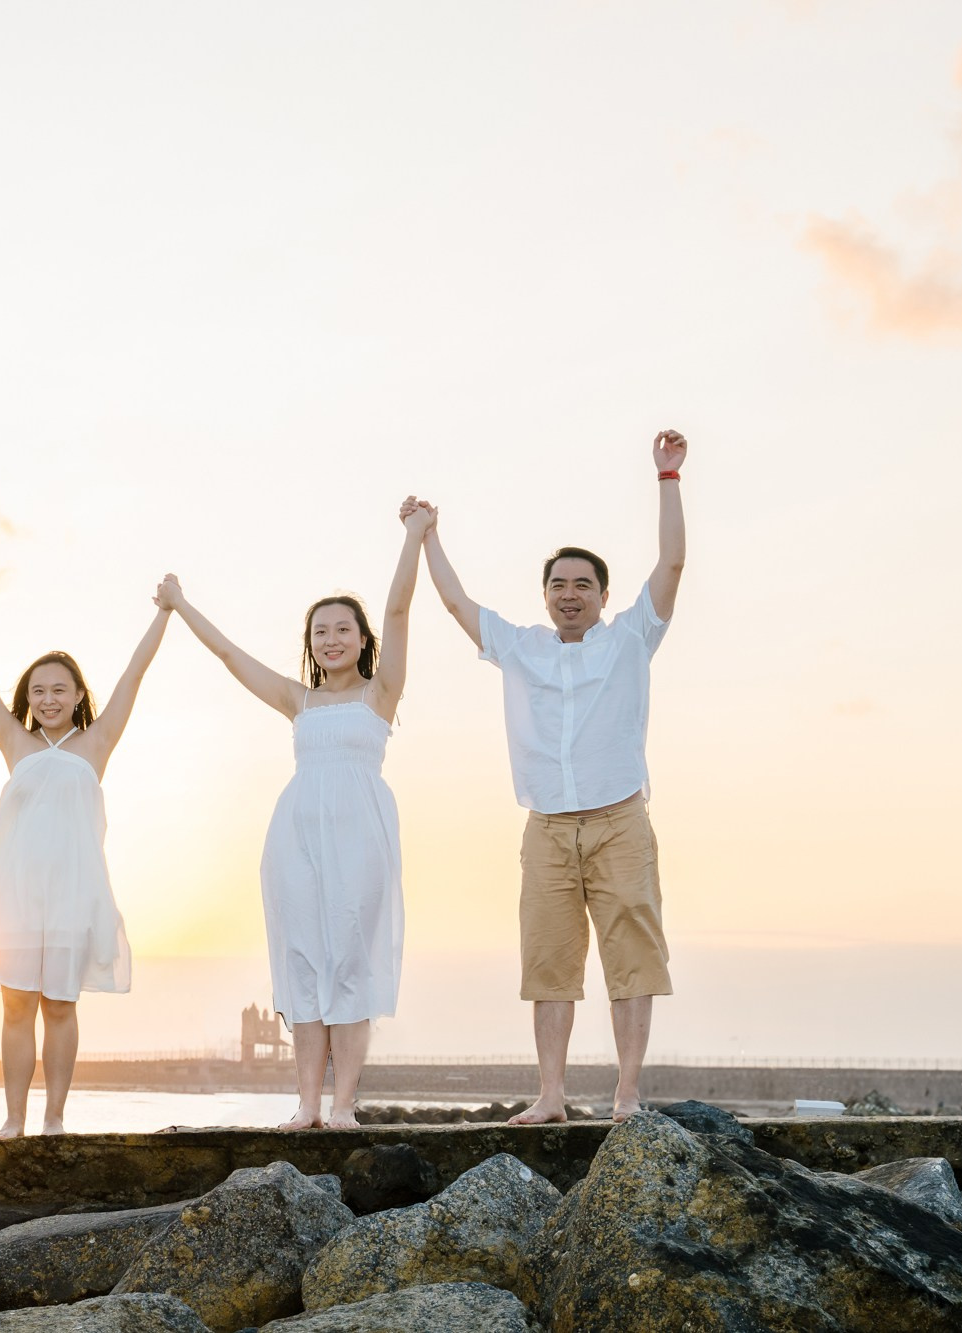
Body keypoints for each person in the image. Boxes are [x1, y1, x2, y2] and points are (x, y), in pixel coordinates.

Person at [416, 429, 689, 1123]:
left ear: (603, 594)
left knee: (633, 956)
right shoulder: (520, 647)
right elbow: (455, 602)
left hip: (620, 819)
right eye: (559, 585)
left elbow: (673, 562)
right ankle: (551, 1095)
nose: (571, 594)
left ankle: (627, 1093)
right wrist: (427, 537)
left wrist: (667, 478)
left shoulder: (630, 638)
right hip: (545, 826)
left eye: (582, 585)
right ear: (544, 595)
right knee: (548, 962)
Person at [156, 503, 427, 1129]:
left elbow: (398, 610)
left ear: (362, 639)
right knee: (303, 961)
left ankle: (343, 1105)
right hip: (296, 836)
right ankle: (307, 1104)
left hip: (361, 836)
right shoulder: (297, 699)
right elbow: (230, 656)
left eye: (342, 629)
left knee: (350, 962)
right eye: (320, 632)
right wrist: (179, 603)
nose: (331, 640)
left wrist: (413, 536)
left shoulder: (381, 693)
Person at [0, 576, 171, 1137]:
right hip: (14, 899)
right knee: (16, 1007)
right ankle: (14, 1119)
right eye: (38, 691)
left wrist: (165, 611)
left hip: (72, 898)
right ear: (28, 699)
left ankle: (54, 1119)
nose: (48, 700)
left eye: (59, 690)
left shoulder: (96, 743)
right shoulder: (14, 742)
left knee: (60, 1006)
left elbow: (134, 675)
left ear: (79, 696)